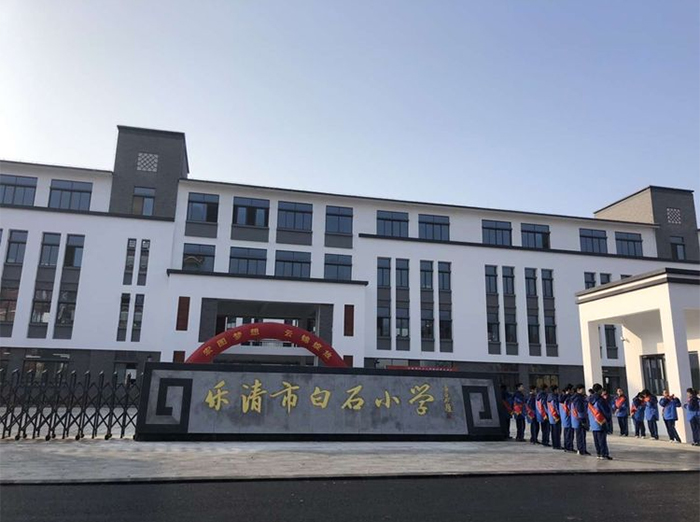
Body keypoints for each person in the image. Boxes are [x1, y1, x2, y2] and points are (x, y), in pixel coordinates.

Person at [588, 383, 613, 460]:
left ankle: (598, 453)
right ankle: (604, 454)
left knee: (596, 439)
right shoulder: (600, 400)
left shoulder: (589, 400)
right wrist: (608, 419)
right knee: (602, 439)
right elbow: (606, 411)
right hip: (600, 421)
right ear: (600, 390)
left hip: (593, 422)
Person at [571, 384, 590, 456]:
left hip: (578, 419)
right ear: (578, 390)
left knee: (582, 435)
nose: (584, 390)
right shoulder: (578, 398)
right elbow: (580, 410)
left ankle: (583, 449)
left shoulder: (580, 397)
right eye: (582, 389)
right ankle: (580, 449)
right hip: (579, 419)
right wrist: (583, 420)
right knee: (580, 435)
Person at [559, 385, 575, 452]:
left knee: (566, 434)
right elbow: (570, 409)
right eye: (572, 389)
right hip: (569, 418)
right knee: (570, 434)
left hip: (564, 418)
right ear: (569, 390)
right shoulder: (568, 398)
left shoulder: (561, 398)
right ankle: (569, 447)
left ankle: (566, 447)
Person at [547, 384, 562, 449]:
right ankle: (557, 445)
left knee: (553, 431)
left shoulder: (549, 396)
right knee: (557, 432)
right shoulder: (554, 397)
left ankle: (554, 444)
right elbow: (556, 407)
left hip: (551, 416)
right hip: (556, 416)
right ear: (555, 390)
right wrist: (559, 414)